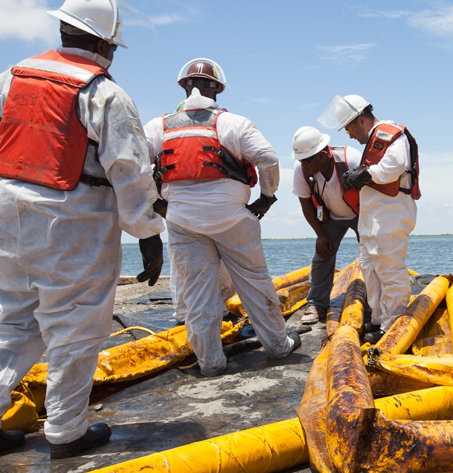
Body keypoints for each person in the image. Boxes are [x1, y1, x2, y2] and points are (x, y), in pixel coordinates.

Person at [0, 0, 164, 458]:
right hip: (73, 217)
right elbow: (130, 169)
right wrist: (147, 231)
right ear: (105, 44)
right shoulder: (103, 94)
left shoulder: (8, 78)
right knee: (76, 322)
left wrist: (12, 189)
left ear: (63, 29)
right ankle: (66, 430)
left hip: (6, 206)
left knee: (7, 316)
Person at [144, 58, 299, 377]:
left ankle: (211, 362)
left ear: (183, 87)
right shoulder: (234, 124)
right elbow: (268, 159)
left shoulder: (157, 126)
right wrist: (267, 198)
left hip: (182, 221)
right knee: (255, 283)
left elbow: (131, 165)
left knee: (198, 294)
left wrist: (157, 203)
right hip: (232, 218)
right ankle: (278, 346)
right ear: (219, 89)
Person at [318, 95, 420, 343]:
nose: (350, 135)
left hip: (391, 212)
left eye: (350, 128)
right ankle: (379, 318)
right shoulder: (375, 140)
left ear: (361, 120)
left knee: (389, 266)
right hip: (374, 215)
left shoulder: (390, 133)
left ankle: (392, 326)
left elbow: (395, 166)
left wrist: (365, 174)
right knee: (370, 266)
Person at [290, 126, 361, 325]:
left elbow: (373, 197)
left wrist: (369, 231)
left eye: (308, 160)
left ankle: (375, 301)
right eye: (301, 161)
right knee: (322, 255)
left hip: (361, 214)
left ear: (322, 154)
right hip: (331, 218)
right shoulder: (301, 170)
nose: (304, 165)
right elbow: (305, 203)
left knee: (372, 255)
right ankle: (316, 304)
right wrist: (320, 234)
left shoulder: (351, 160)